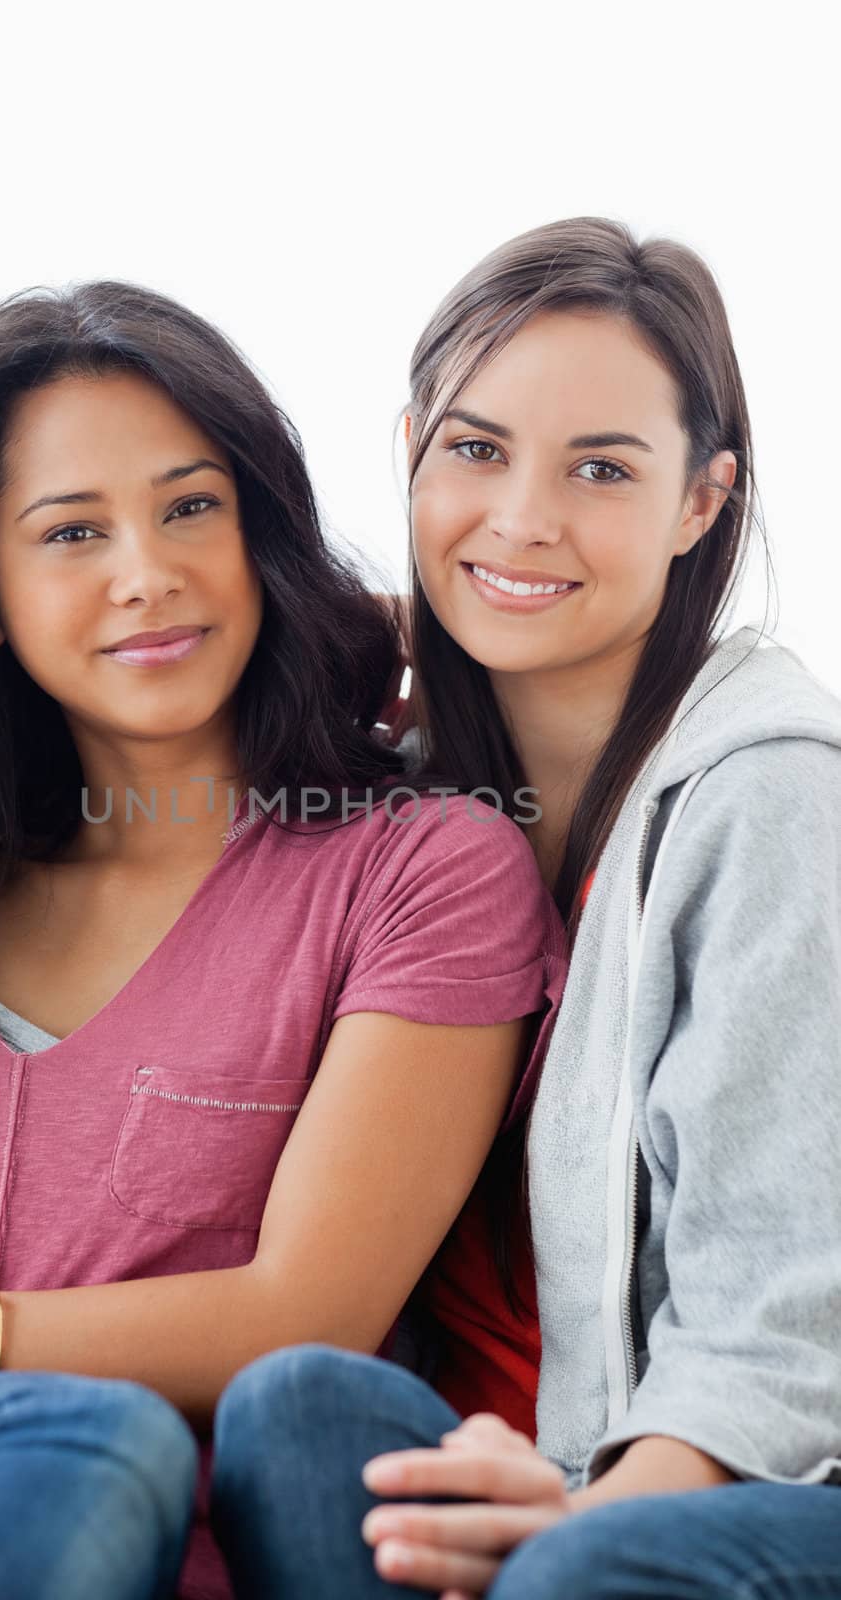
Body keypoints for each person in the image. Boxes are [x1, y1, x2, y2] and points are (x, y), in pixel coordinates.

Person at [0, 279, 567, 1599]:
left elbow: (305, 1315)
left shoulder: (419, 873)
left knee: (90, 1444)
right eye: (72, 532)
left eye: (191, 507)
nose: (148, 574)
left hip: (110, 1524)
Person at [210, 216, 841, 1598]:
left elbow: (789, 1331)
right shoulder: (403, 811)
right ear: (415, 451)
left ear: (701, 502)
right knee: (295, 1413)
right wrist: (297, 664)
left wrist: (594, 1522)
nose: (522, 520)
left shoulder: (775, 794)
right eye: (477, 451)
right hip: (524, 1465)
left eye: (601, 470)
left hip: (760, 1481)